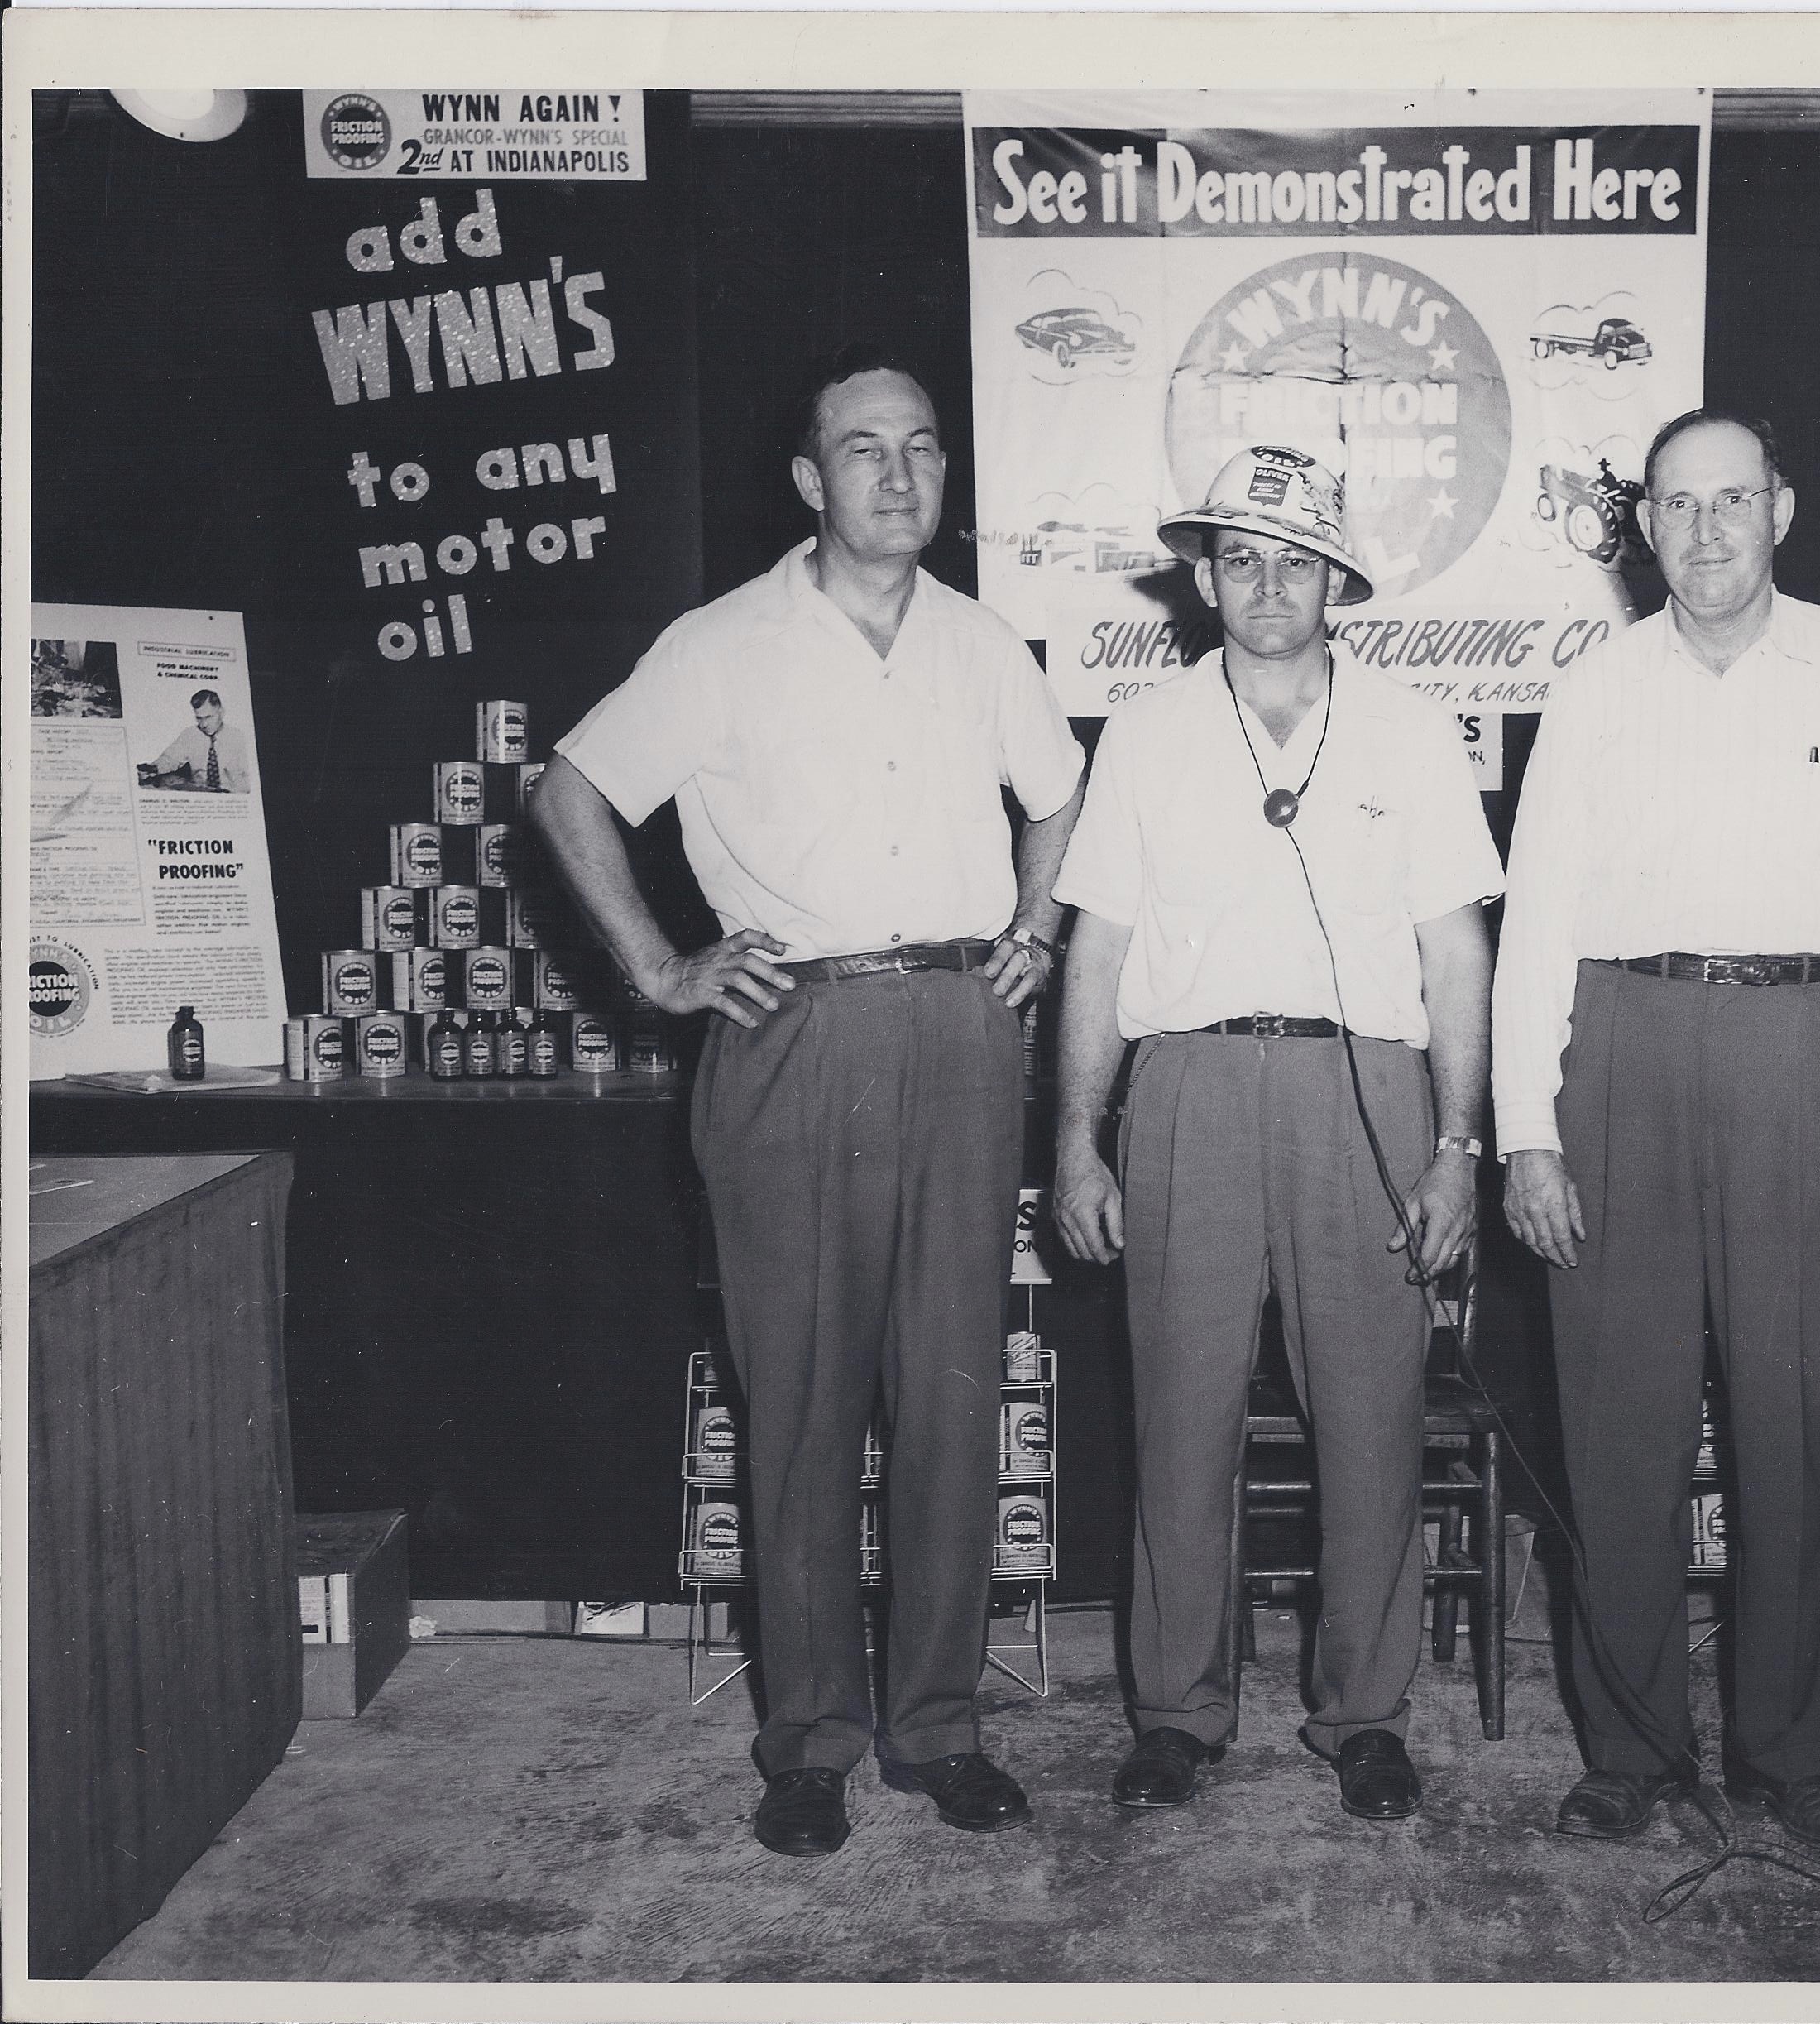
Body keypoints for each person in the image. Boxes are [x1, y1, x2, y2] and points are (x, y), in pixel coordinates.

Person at [533, 346, 1088, 1859]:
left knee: (952, 1396)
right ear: (807, 479)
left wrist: (1036, 929)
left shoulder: (985, 643)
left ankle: (939, 1726)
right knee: (799, 1406)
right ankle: (811, 1741)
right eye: (862, 449)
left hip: (962, 1029)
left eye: (922, 446)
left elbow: (1059, 796)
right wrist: (659, 967)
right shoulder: (719, 644)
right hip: (794, 1034)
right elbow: (568, 793)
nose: (898, 475)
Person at [1492, 408, 1820, 1852]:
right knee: (1617, 1429)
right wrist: (1527, 1129)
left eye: (1732, 500)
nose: (1705, 531)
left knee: (1793, 1424)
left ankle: (1790, 1753)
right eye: (1678, 505)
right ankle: (1631, 1751)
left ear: (1781, 509)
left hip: (1810, 1045)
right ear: (1644, 526)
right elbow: (1537, 921)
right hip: (1623, 1049)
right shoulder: (1594, 688)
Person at [1051, 445, 1502, 1822]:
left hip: (1361, 1089)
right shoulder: (1144, 732)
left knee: (1369, 1420)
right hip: (1187, 1088)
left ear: (1336, 581)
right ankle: (1177, 1713)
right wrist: (1075, 1136)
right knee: (1180, 1418)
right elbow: (1098, 950)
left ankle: (1365, 1715)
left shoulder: (1414, 731)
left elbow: (1456, 952)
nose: (1266, 585)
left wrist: (1457, 1144)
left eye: (1296, 560)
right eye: (1240, 558)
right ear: (1203, 577)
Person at [149, 689, 247, 790]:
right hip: (199, 793)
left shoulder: (239, 738)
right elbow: (170, 759)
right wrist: (153, 768)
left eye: (208, 717)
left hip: (232, 795)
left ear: (221, 713)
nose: (204, 724)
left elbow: (247, 781)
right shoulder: (190, 735)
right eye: (199, 718)